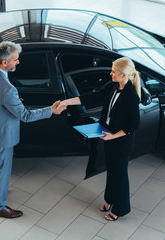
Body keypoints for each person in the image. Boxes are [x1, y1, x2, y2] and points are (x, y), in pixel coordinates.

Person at [0, 41, 66, 219]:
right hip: (0, 134)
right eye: (16, 59)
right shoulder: (7, 89)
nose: (18, 62)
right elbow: (26, 116)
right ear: (5, 62)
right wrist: (51, 110)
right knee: (1, 170)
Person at [59, 57, 141, 221]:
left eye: (113, 72)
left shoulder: (131, 96)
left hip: (120, 142)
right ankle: (109, 200)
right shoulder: (113, 85)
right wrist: (66, 102)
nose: (110, 73)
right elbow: (91, 96)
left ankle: (120, 209)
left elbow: (133, 125)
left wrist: (112, 136)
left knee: (119, 176)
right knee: (111, 171)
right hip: (108, 136)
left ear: (124, 75)